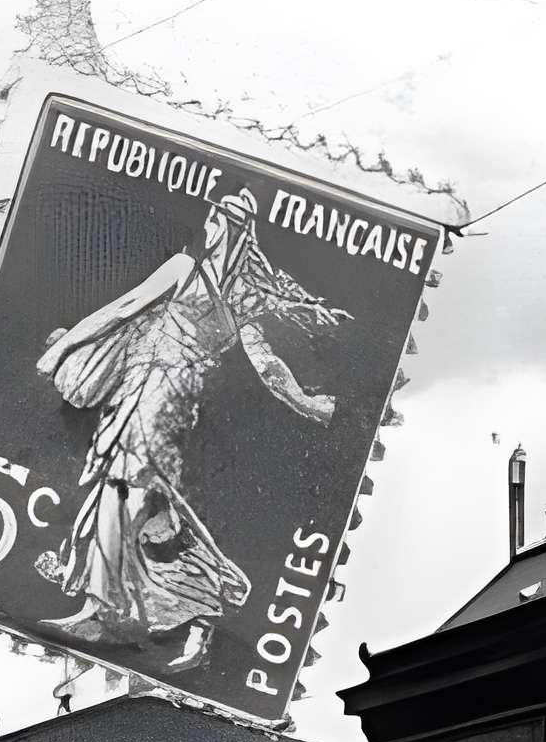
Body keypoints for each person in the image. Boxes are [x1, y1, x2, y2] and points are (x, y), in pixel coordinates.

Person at [31, 186, 352, 674]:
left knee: (122, 495)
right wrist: (306, 404)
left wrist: (62, 350)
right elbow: (267, 367)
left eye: (217, 218)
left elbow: (123, 308)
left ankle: (105, 612)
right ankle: (199, 607)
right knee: (151, 510)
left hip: (152, 391)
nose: (209, 225)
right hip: (175, 398)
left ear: (225, 226)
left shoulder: (185, 268)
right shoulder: (241, 298)